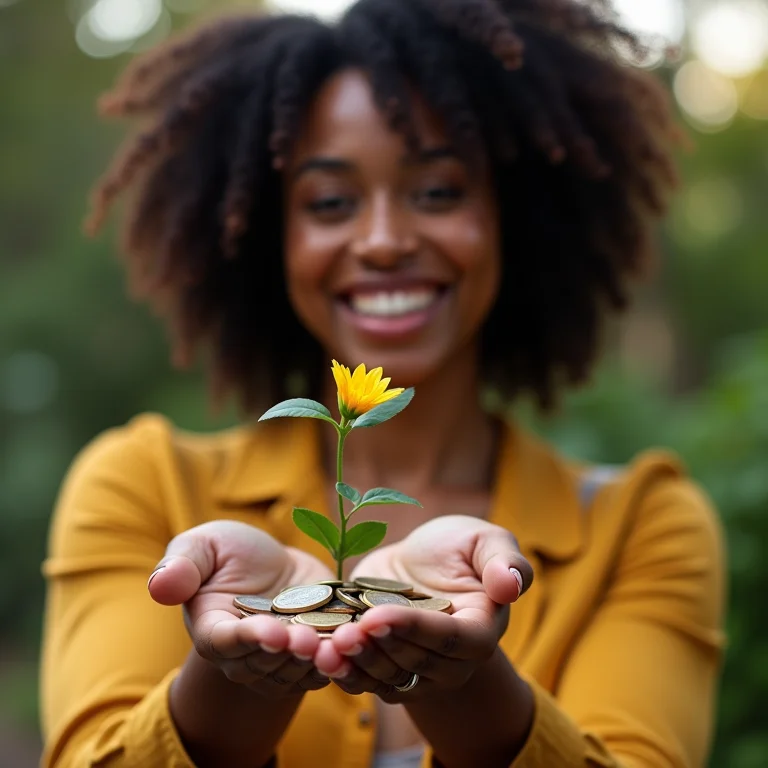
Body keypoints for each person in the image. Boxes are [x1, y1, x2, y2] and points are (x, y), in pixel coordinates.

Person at [39, 1, 726, 766]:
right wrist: (237, 676)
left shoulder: (640, 528)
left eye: (438, 191)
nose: (385, 241)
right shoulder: (142, 488)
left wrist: (461, 682)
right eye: (330, 202)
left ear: (516, 219)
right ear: (272, 238)